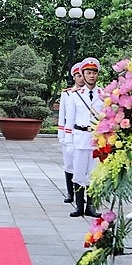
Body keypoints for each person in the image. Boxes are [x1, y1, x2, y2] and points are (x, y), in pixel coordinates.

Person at [64, 57, 103, 218]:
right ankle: (79, 206)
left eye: (94, 72)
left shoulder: (103, 94)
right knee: (79, 174)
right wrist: (68, 142)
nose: (91, 76)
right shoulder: (75, 95)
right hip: (80, 138)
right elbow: (70, 120)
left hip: (96, 139)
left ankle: (91, 207)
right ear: (82, 74)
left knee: (94, 174)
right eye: (88, 72)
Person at [58, 63, 84, 204]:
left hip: (83, 133)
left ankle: (81, 195)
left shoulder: (90, 94)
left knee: (82, 166)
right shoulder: (66, 93)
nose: (80, 79)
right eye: (78, 76)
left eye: (82, 75)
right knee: (69, 164)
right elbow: (63, 115)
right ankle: (70, 193)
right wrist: (61, 134)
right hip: (70, 133)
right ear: (73, 77)